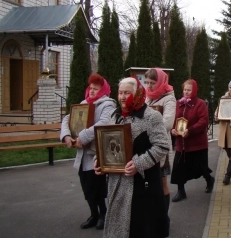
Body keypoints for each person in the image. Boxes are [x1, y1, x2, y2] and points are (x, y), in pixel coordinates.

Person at [94, 77, 170, 238]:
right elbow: (106, 143)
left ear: (137, 94)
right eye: (120, 93)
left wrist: (138, 163)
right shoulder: (114, 116)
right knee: (118, 227)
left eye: (127, 93)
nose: (122, 97)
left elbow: (162, 146)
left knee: (140, 228)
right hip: (117, 182)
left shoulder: (151, 116)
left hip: (143, 184)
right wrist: (100, 161)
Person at [60, 74, 116, 230]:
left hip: (96, 152)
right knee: (86, 185)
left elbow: (104, 123)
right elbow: (67, 119)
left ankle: (104, 213)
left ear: (103, 90)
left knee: (97, 187)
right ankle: (94, 214)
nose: (92, 91)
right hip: (82, 153)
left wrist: (82, 137)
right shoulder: (84, 104)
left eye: (95, 89)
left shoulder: (108, 104)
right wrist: (66, 136)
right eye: (90, 88)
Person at [170, 79, 215, 202]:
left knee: (201, 167)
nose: (186, 92)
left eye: (189, 90)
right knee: (179, 168)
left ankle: (209, 179)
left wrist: (190, 130)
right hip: (181, 144)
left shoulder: (200, 104)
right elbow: (173, 119)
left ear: (194, 90)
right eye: (185, 89)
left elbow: (203, 121)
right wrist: (173, 130)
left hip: (197, 144)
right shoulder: (178, 103)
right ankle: (181, 191)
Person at [144, 68, 176, 226]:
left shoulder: (168, 99)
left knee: (162, 183)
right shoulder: (147, 97)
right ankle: (153, 216)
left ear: (161, 82)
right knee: (149, 183)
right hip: (146, 147)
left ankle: (164, 218)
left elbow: (167, 123)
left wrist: (145, 129)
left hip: (160, 147)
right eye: (147, 82)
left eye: (152, 83)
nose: (149, 86)